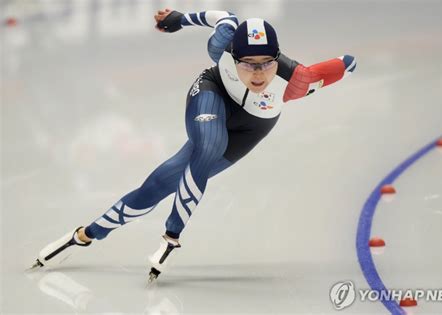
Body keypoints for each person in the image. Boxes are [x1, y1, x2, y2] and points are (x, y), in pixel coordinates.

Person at [31, 8, 357, 282]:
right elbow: (223, 17)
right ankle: (171, 237)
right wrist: (178, 18)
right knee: (208, 146)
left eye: (265, 64)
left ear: (277, 59)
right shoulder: (222, 46)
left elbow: (332, 69)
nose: (257, 74)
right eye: (247, 64)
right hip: (212, 95)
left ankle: (85, 234)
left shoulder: (296, 80)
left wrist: (347, 62)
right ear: (232, 55)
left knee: (161, 183)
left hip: (252, 129)